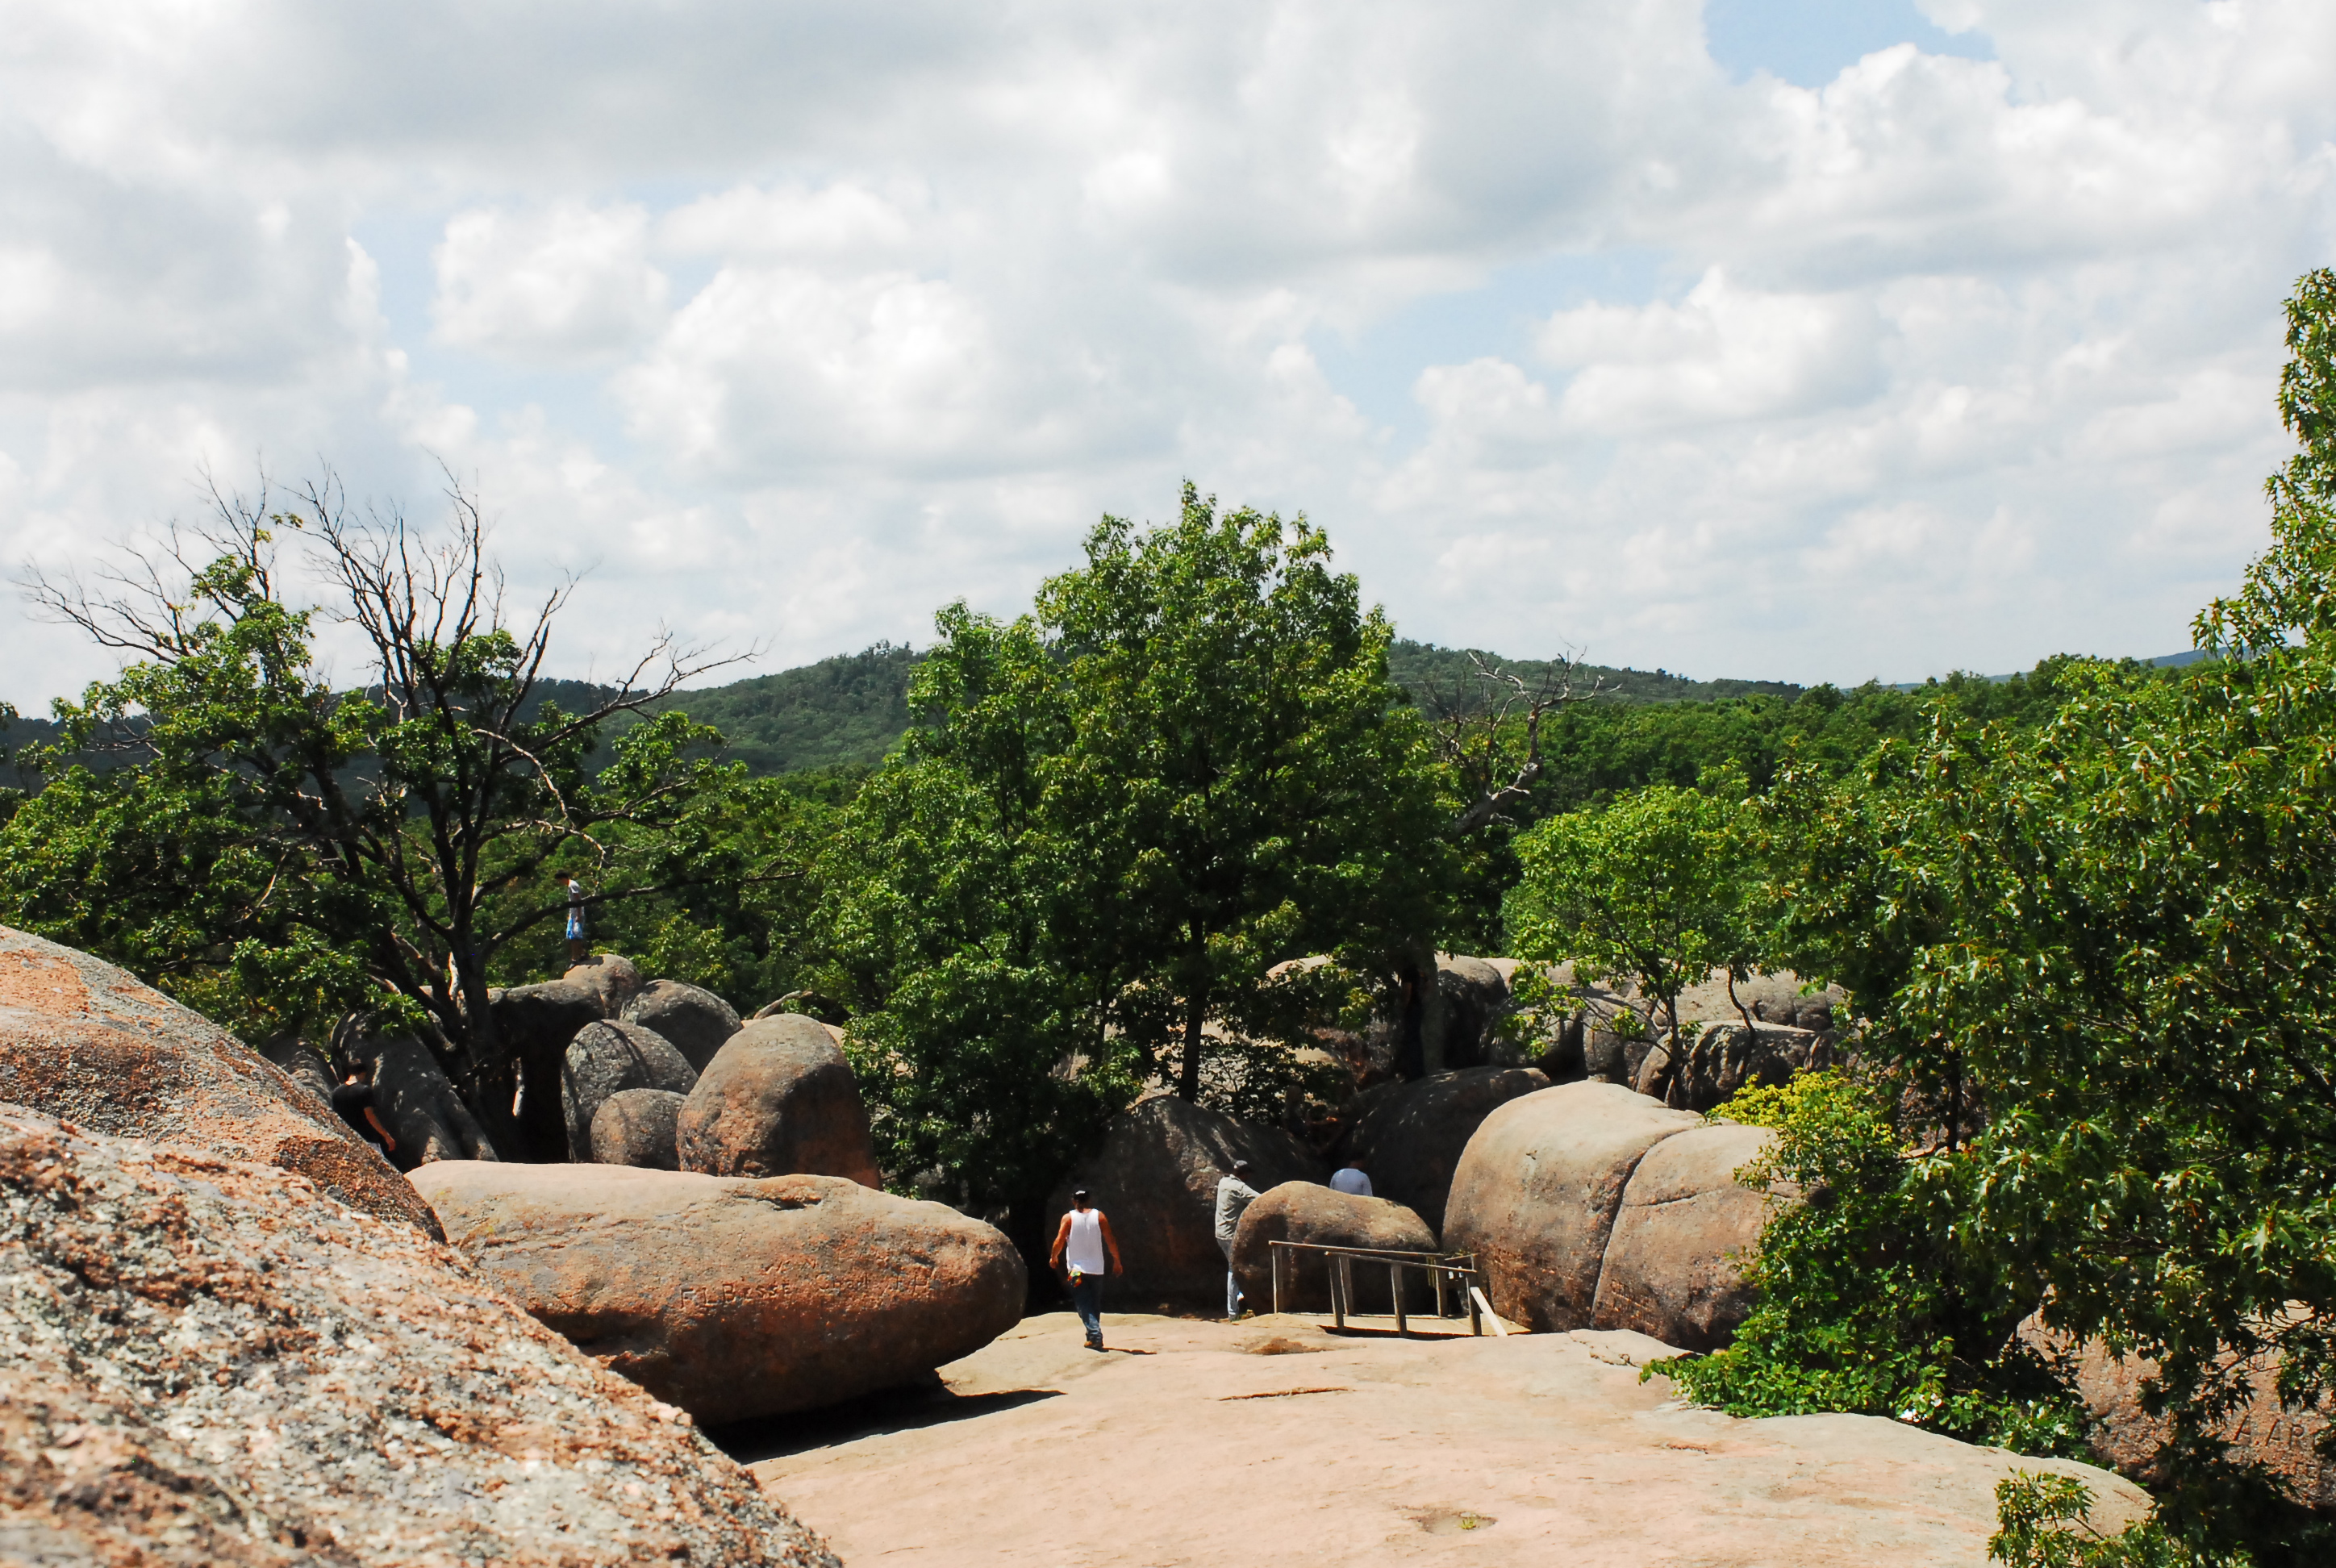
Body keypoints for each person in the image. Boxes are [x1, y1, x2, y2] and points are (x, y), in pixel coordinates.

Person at [1049, 1188, 1123, 1351]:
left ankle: (1095, 1335)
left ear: (1073, 1201)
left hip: (1076, 1270)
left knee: (1082, 1302)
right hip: (1097, 1268)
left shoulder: (1068, 1218)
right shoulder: (1100, 1216)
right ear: (1089, 1200)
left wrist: (1054, 1256)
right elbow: (1110, 1240)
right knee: (1094, 1304)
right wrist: (1117, 1260)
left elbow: (1059, 1240)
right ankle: (1092, 1337)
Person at [1214, 1158, 1262, 1319]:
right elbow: (1260, 1200)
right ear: (1244, 1174)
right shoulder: (1239, 1187)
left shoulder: (1223, 1182)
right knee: (1234, 1271)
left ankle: (1242, 1296)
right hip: (1230, 1236)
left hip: (1220, 1233)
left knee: (1238, 1267)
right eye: (1248, 1174)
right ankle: (1233, 1312)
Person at [331, 1061, 397, 1161]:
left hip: (346, 1138)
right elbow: (370, 1117)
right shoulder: (364, 1091)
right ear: (362, 1074)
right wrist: (387, 1136)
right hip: (367, 1137)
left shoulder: (336, 1092)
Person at [561, 872, 587, 965]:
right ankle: (583, 954)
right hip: (573, 915)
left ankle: (575, 959)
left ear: (563, 878)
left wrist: (578, 916)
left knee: (575, 937)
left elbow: (578, 901)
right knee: (572, 937)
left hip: (576, 915)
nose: (560, 883)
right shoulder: (571, 885)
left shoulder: (572, 885)